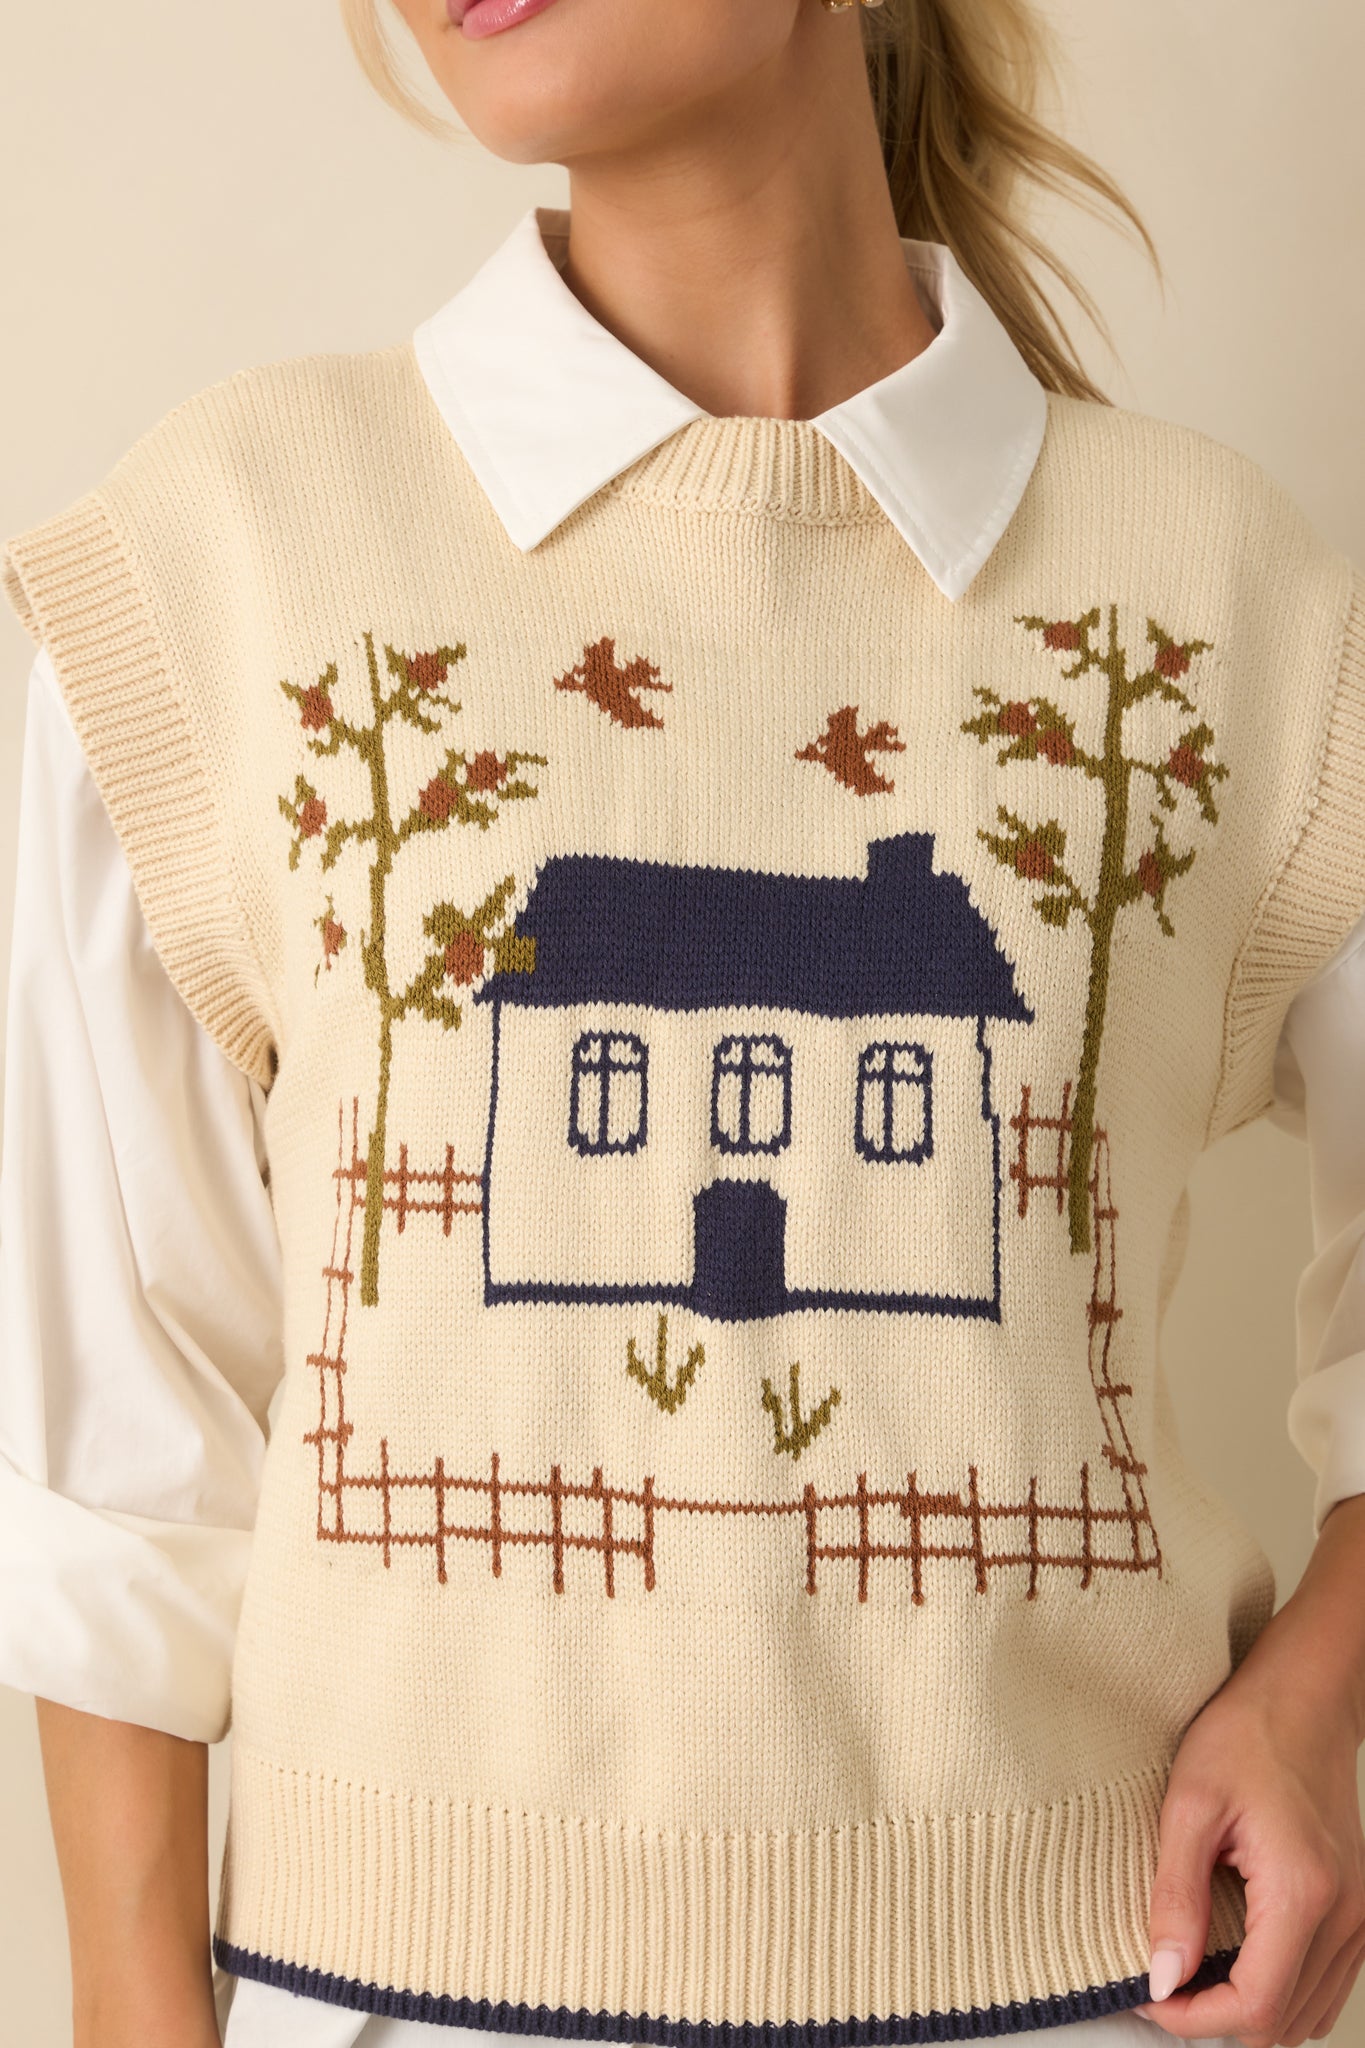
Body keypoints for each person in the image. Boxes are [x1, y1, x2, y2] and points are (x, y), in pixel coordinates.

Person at [2, 2, 1364, 2046]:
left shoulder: (1223, 601)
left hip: (1088, 1989)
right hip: (372, 1997)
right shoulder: (227, 555)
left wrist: (1314, 1708)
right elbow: (122, 1443)